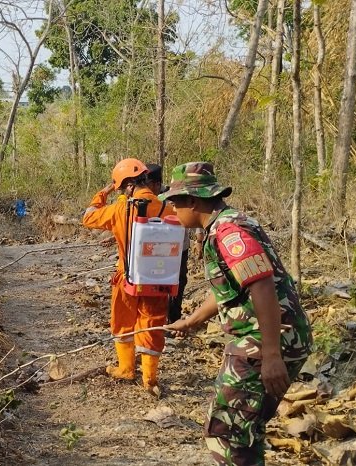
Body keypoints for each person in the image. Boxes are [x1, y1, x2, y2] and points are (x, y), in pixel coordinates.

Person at [161, 162, 313, 466]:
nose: (174, 211)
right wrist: (192, 320)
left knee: (228, 432)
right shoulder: (222, 225)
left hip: (264, 340)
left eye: (176, 203)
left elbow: (261, 283)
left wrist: (271, 355)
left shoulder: (228, 231)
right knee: (243, 428)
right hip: (267, 337)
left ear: (193, 200)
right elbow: (232, 288)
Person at [82, 158, 175, 395]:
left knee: (122, 320)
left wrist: (106, 191)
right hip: (159, 279)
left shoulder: (120, 208)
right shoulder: (167, 209)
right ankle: (150, 379)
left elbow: (88, 216)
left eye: (122, 187)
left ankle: (125, 369)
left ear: (127, 185)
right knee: (152, 324)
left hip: (127, 278)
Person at [145, 163, 203, 323]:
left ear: (157, 184)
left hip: (179, 248)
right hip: (154, 249)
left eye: (148, 186)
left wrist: (199, 239)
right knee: (156, 281)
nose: (146, 190)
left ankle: (174, 319)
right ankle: (157, 318)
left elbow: (198, 213)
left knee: (178, 281)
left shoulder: (174, 195)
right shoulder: (143, 198)